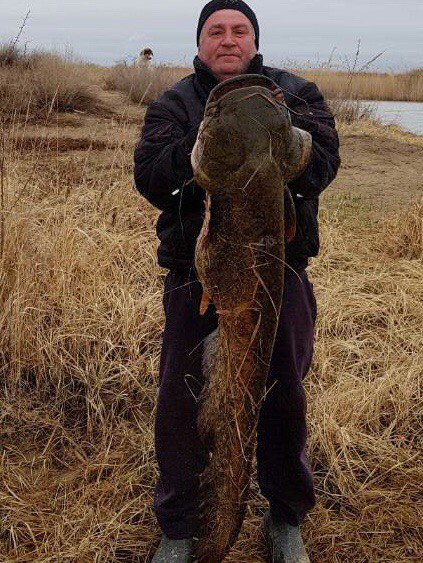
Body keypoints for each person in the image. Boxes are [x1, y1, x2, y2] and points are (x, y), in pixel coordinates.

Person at [134, 1, 340, 561]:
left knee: (282, 394)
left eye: (240, 30)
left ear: (255, 40)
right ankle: (179, 526)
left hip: (280, 272)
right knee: (183, 395)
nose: (229, 39)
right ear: (200, 43)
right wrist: (202, 152)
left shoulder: (296, 93)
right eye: (216, 31)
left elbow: (323, 162)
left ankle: (284, 519)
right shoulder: (175, 103)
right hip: (193, 275)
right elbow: (150, 177)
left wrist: (282, 139)